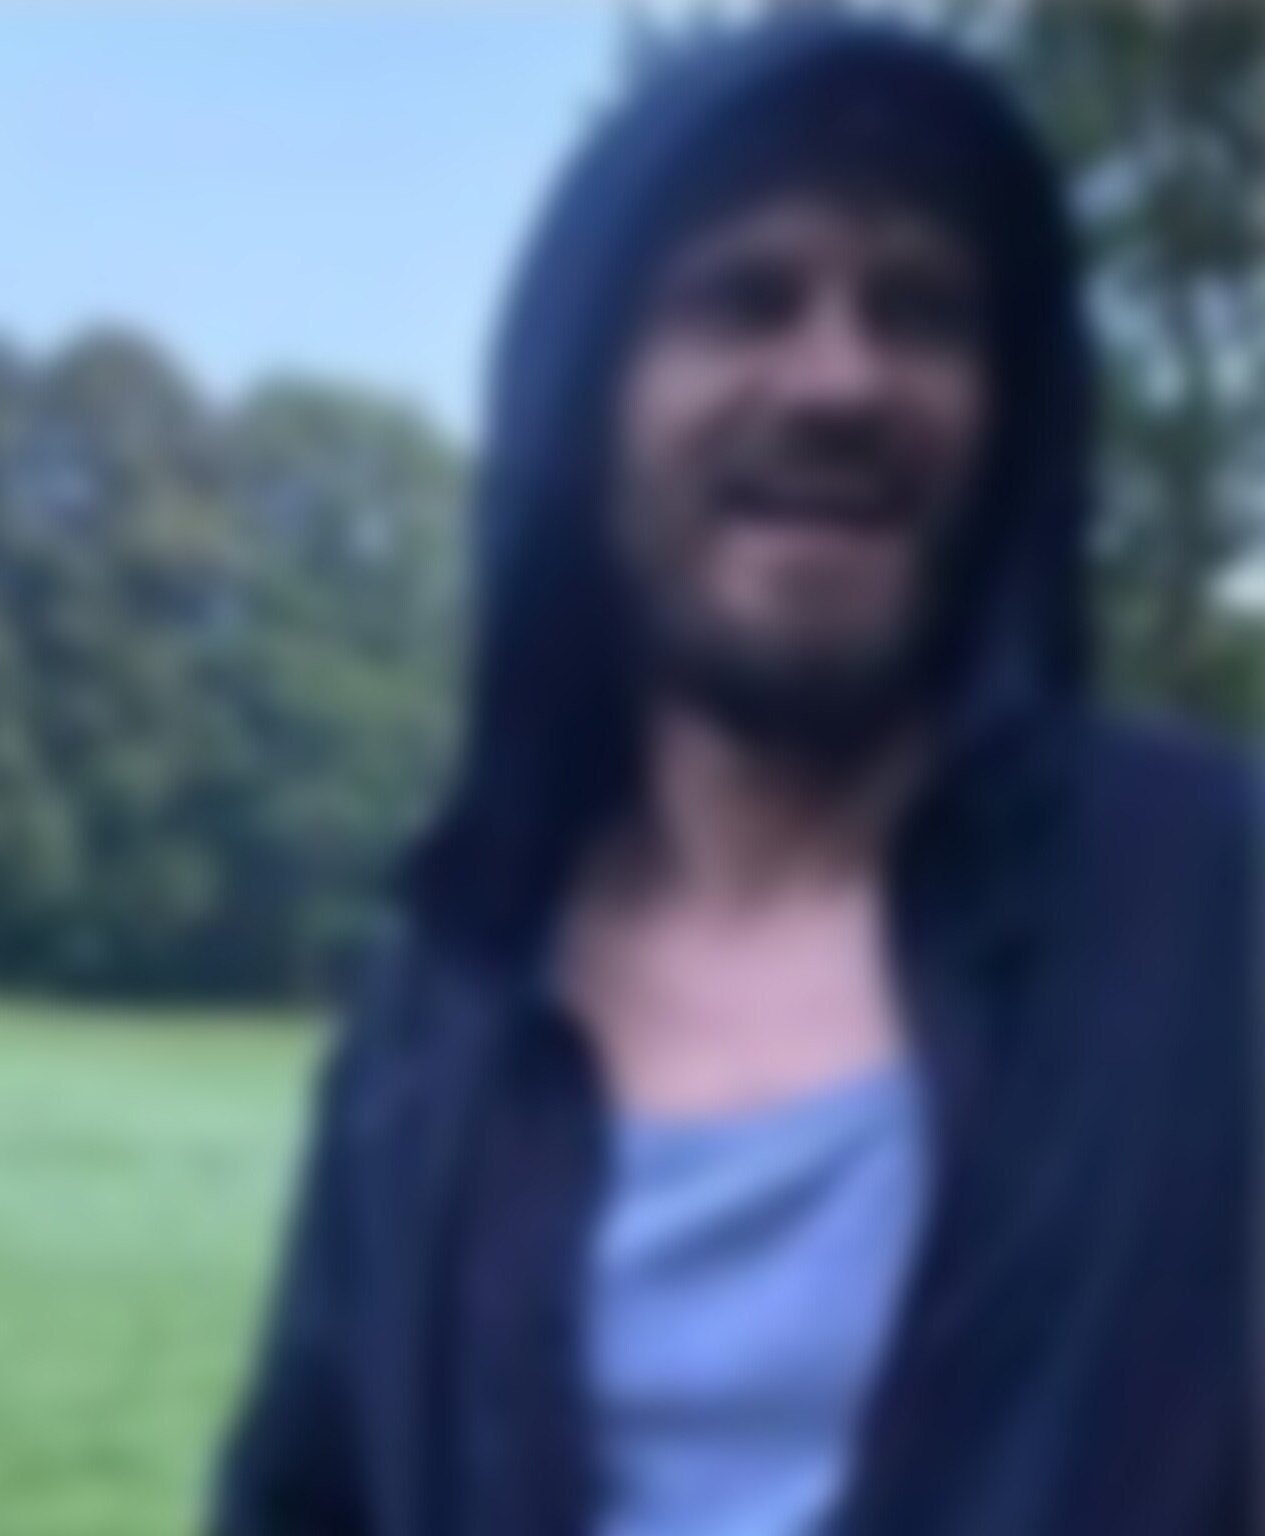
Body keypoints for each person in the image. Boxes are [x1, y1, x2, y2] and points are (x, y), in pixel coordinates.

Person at [209, 12, 1256, 1536]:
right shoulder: (444, 1009)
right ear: (586, 409)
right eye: (743, 297)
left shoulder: (1214, 913)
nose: (841, 380)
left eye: (921, 310)